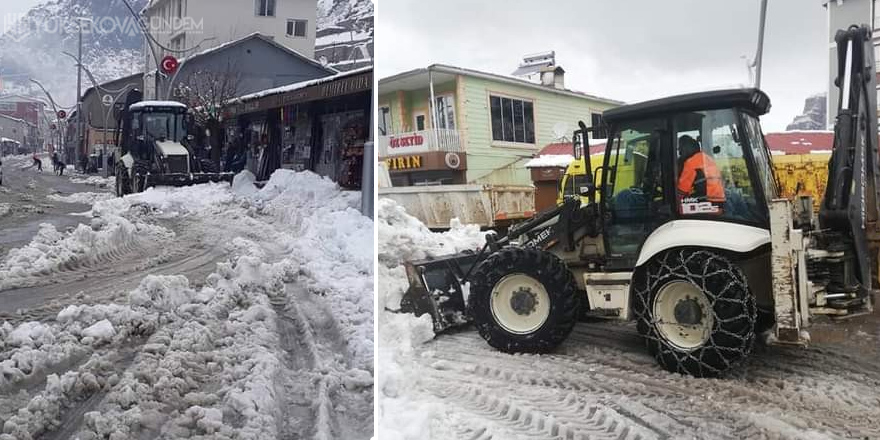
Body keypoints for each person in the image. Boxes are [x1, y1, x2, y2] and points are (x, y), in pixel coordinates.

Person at [677, 135, 725, 212]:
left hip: (705, 203)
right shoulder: (708, 159)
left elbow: (682, 191)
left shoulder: (691, 163)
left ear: (685, 149)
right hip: (719, 203)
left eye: (680, 150)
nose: (679, 153)